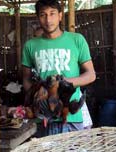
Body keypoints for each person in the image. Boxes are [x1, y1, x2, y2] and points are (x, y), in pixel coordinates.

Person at [22, 0, 96, 136]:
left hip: (71, 118)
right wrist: (36, 94)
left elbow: (91, 74)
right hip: (42, 117)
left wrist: (64, 84)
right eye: (43, 15)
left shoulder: (77, 40)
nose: (48, 20)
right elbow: (26, 78)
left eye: (52, 14)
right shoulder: (30, 45)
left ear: (60, 15)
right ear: (38, 17)